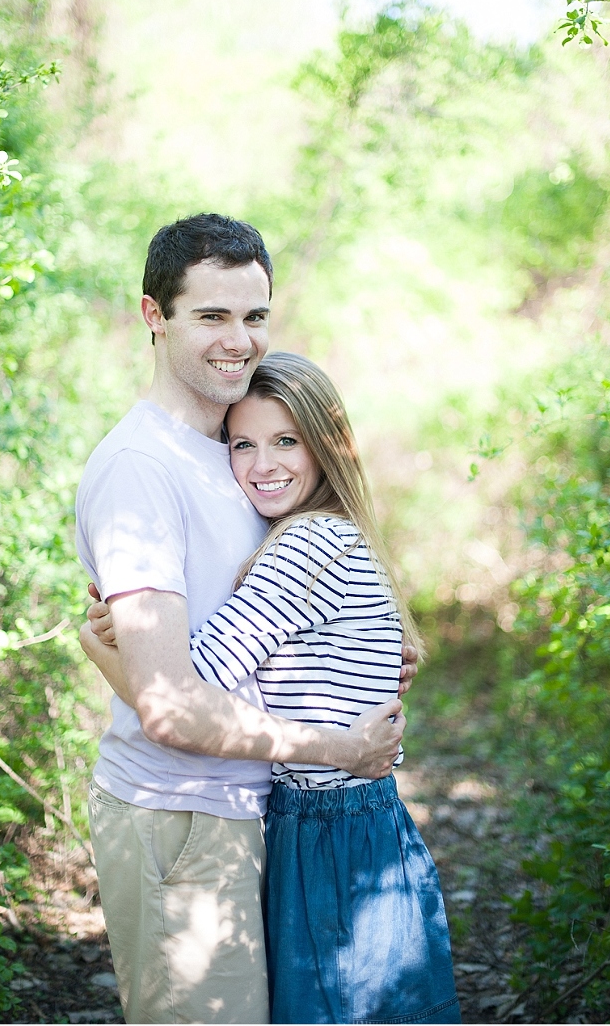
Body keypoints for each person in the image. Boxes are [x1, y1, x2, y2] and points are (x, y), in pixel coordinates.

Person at [75, 214, 418, 1025]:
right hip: (180, 819)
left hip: (255, 813)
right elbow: (169, 708)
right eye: (212, 315)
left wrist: (365, 646)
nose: (240, 340)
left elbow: (276, 615)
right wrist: (341, 747)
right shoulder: (141, 468)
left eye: (254, 315)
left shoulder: (230, 447)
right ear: (154, 316)